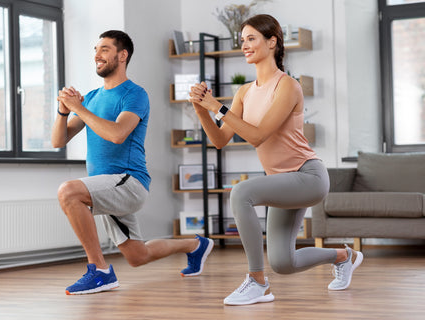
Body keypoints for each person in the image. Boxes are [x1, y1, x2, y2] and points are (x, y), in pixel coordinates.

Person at [189, 14, 363, 306]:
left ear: (272, 42)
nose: (244, 45)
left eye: (251, 38)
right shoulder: (244, 91)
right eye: (242, 40)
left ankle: (257, 281)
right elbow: (220, 140)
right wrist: (201, 110)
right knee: (284, 262)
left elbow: (258, 136)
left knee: (241, 192)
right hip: (281, 181)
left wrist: (216, 107)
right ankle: (345, 257)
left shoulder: (288, 86)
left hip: (308, 177)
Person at [51, 30, 213, 295]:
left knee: (69, 191)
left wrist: (78, 108)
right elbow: (59, 140)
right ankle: (195, 245)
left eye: (104, 49)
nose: (97, 55)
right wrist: (63, 110)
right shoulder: (92, 97)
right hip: (104, 188)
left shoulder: (134, 94)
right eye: (96, 49)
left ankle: (100, 271)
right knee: (138, 256)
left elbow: (117, 134)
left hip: (129, 183)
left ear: (122, 55)